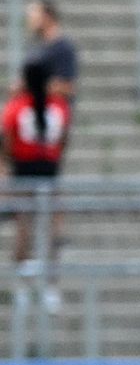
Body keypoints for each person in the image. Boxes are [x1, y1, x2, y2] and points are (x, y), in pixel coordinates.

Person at [3, 61, 71, 265]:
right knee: (53, 223)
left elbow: (7, 140)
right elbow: (63, 139)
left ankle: (22, 272)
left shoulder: (17, 106)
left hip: (23, 170)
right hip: (49, 170)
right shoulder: (59, 106)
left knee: (23, 226)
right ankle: (51, 273)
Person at [23, 0, 79, 106]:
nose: (30, 20)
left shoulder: (63, 48)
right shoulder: (38, 47)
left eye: (33, 15)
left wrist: (33, 86)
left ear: (47, 17)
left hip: (53, 110)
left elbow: (68, 87)